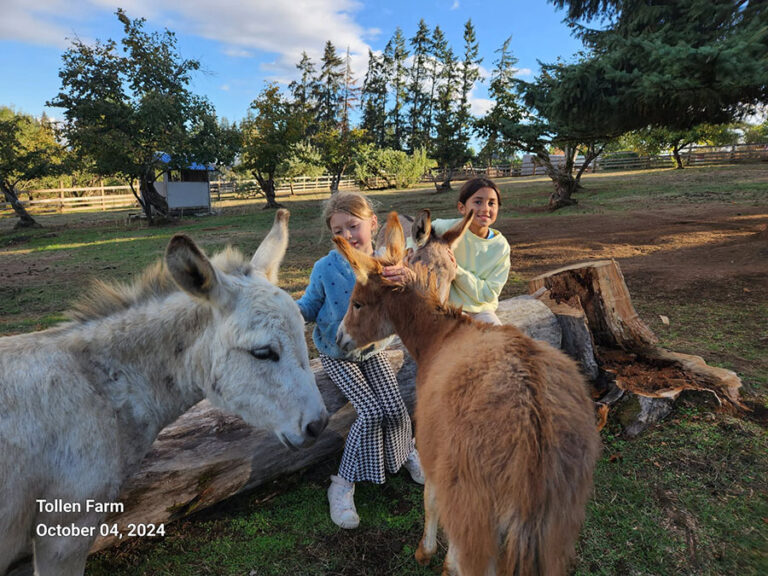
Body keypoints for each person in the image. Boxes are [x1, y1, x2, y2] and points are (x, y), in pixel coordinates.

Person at [296, 190, 424, 530]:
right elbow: (308, 306)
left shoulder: (389, 263)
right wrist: (287, 312)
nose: (347, 236)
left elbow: (412, 299)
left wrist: (410, 279)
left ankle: (404, 453)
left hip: (372, 350)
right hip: (338, 353)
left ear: (372, 223)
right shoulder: (325, 268)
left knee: (395, 409)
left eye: (353, 226)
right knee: (370, 412)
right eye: (338, 231)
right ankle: (342, 484)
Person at [389, 177, 511, 325]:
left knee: (497, 338)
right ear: (462, 207)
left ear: (498, 208)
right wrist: (410, 250)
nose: (485, 208)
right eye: (478, 202)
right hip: (447, 307)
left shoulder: (501, 247)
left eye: (492, 203)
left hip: (481, 309)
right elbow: (418, 238)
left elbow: (488, 294)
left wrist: (455, 270)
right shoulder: (444, 228)